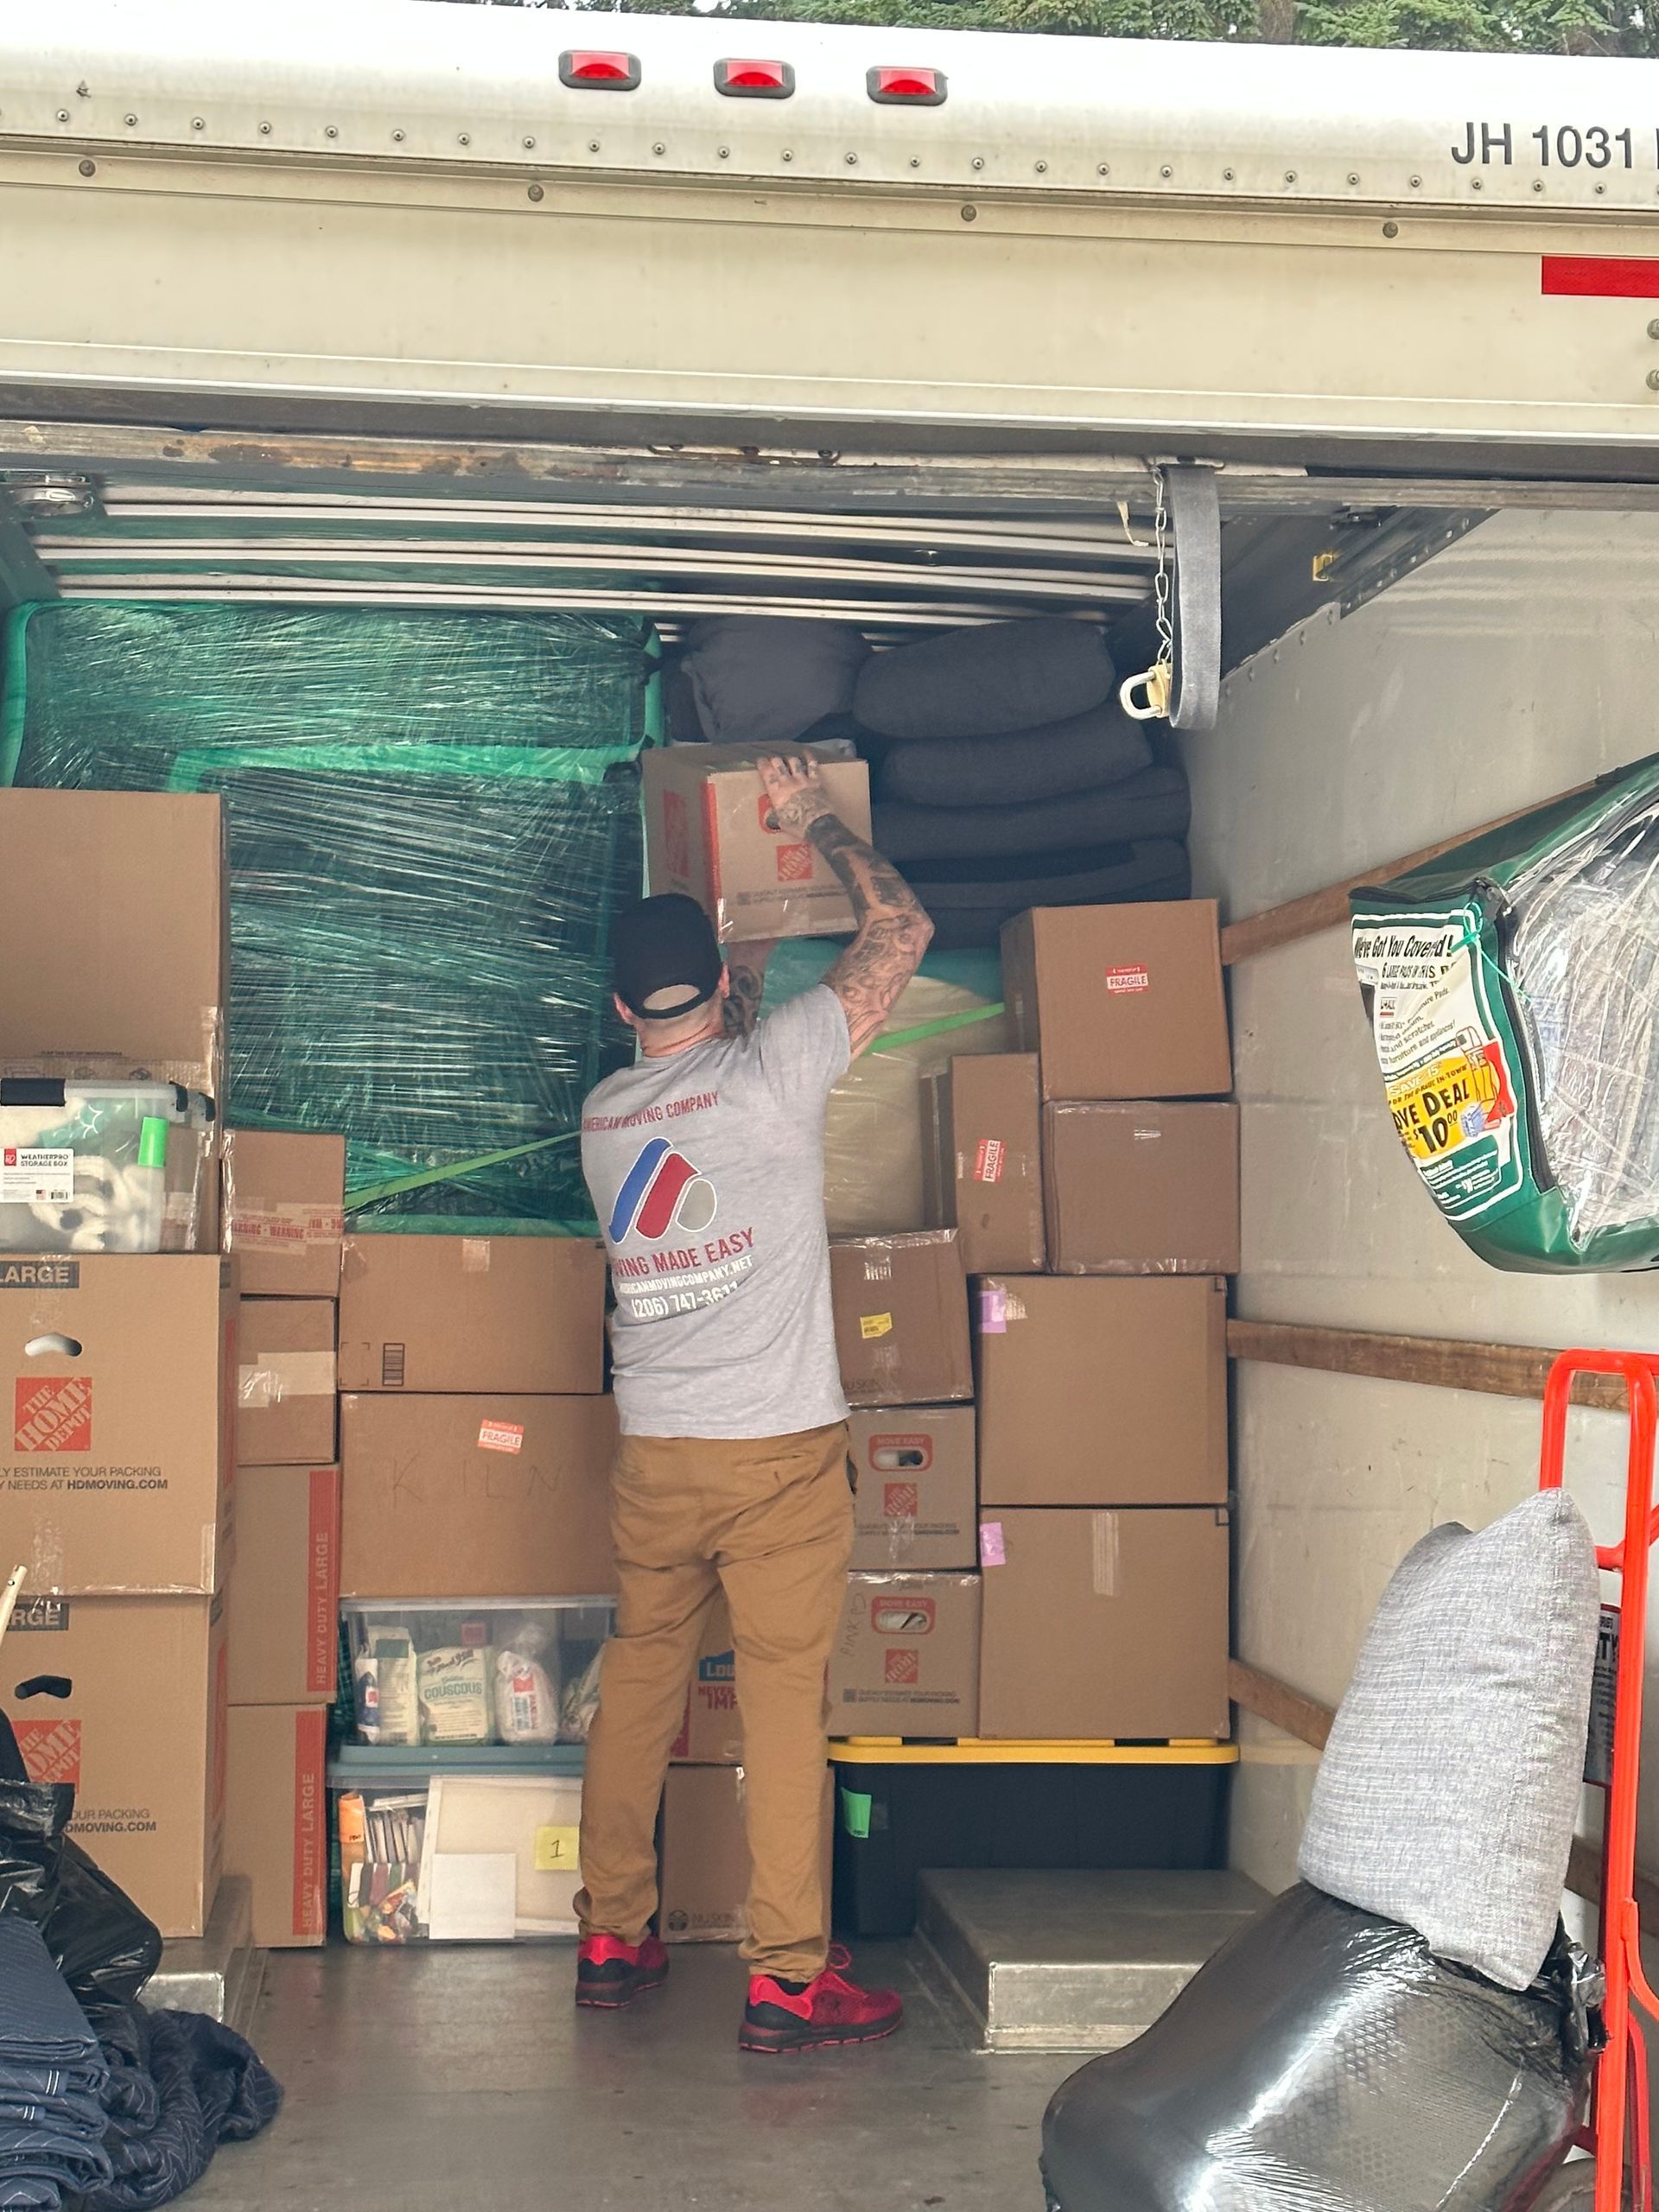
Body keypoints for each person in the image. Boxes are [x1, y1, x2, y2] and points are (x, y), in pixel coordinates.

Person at [572, 752, 933, 2055]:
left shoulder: (607, 1116)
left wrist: (740, 949)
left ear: (622, 1005)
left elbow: (720, 1048)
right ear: (723, 989)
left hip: (655, 1458)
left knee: (641, 1683)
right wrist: (809, 824)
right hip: (776, 1458)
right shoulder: (771, 1078)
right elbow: (903, 930)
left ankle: (613, 1933)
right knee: (784, 1706)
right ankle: (786, 1977)